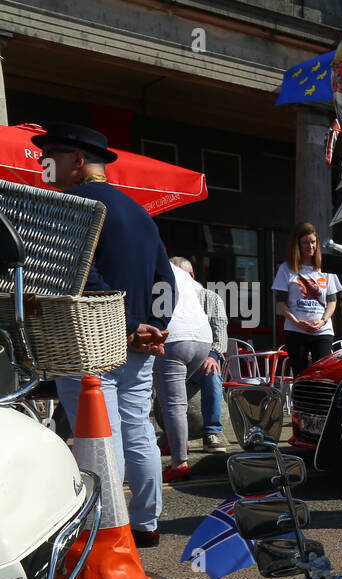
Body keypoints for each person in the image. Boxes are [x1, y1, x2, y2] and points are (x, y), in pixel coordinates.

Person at [34, 122, 173, 549]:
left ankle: (109, 530)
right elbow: (165, 279)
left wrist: (133, 325)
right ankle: (146, 524)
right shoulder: (138, 211)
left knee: (99, 435)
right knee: (138, 430)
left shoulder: (70, 204)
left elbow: (75, 275)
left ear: (77, 161)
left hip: (85, 339)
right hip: (138, 341)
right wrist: (150, 326)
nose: (44, 165)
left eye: (51, 157)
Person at [153, 259, 213, 482]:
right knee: (173, 397)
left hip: (173, 337)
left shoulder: (149, 264)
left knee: (173, 403)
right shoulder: (183, 274)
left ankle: (179, 462)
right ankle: (176, 439)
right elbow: (200, 295)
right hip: (202, 338)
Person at [176, 258, 229, 453]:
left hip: (201, 360)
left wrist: (213, 355)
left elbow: (220, 330)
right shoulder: (165, 298)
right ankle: (173, 438)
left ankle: (211, 433)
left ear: (190, 276)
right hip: (172, 359)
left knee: (212, 373)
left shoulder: (210, 298)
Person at [273, 222, 340, 376]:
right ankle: (299, 401)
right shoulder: (286, 268)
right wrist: (296, 322)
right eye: (305, 243)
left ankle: (319, 401)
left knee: (322, 374)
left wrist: (322, 321)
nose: (310, 246)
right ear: (297, 244)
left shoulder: (326, 267)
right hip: (296, 330)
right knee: (300, 374)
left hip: (322, 331)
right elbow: (281, 302)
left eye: (313, 242)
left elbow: (332, 301)